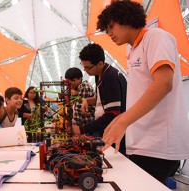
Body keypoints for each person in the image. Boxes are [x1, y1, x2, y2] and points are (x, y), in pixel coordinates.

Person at [97, 0, 189, 184]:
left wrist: (123, 120)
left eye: (111, 26)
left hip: (158, 144)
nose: (109, 33)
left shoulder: (156, 37)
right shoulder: (133, 49)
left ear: (125, 18)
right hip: (141, 143)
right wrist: (119, 122)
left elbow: (163, 84)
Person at [73, 43, 127, 155]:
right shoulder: (101, 74)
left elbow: (112, 115)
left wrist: (81, 129)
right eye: (83, 66)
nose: (85, 70)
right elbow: (102, 98)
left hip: (112, 132)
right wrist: (87, 100)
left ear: (100, 63)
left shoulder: (110, 78)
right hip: (106, 129)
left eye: (88, 67)